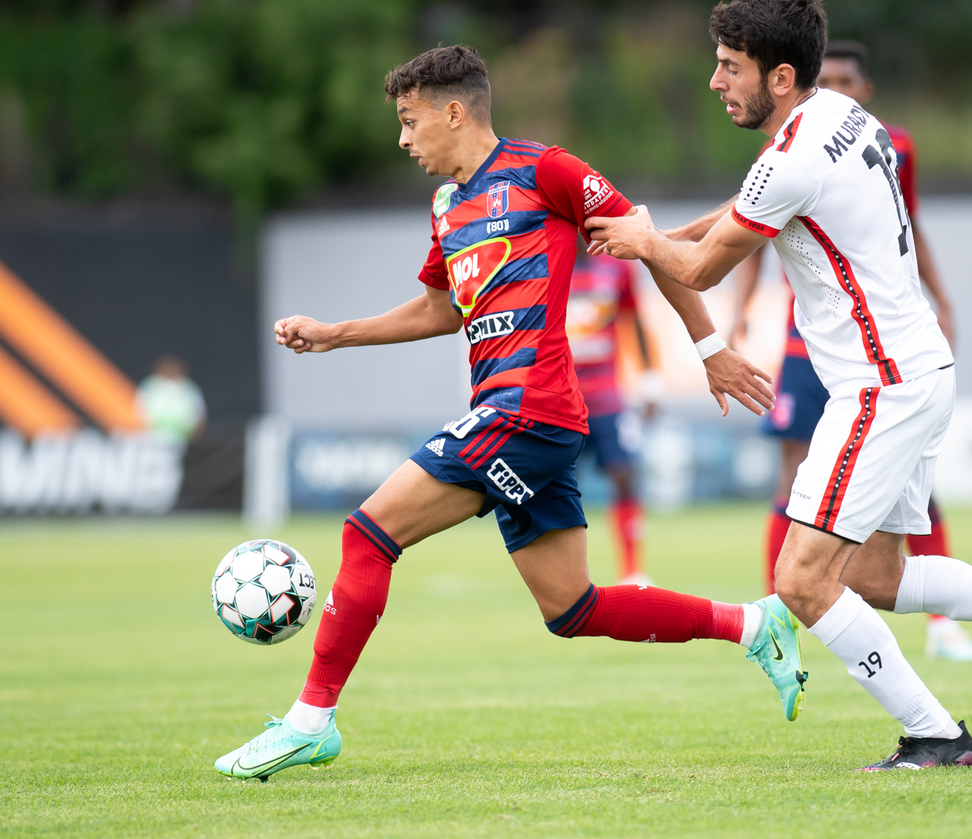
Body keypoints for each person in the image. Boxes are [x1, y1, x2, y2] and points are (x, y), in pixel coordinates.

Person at [216, 45, 805, 782]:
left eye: (409, 120)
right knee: (572, 609)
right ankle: (753, 624)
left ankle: (310, 722)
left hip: (528, 410)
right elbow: (439, 309)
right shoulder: (446, 207)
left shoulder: (544, 170)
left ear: (453, 112)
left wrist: (710, 347)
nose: (402, 139)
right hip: (522, 418)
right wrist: (338, 334)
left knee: (367, 534)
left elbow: (646, 242)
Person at [586, 0, 972, 770]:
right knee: (874, 575)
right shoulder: (838, 115)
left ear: (779, 77)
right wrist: (657, 233)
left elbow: (699, 271)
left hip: (881, 386)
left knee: (802, 581)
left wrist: (643, 240)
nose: (715, 81)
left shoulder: (791, 159)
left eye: (730, 66)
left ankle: (935, 734)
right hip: (916, 371)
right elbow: (741, 210)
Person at [729, 39, 972, 662]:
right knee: (792, 471)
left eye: (847, 81)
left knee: (903, 496)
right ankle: (782, 614)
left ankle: (941, 629)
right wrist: (741, 309)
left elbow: (910, 224)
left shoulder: (886, 143)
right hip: (810, 344)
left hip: (878, 352)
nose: (836, 91)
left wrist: (940, 297)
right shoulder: (785, 151)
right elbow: (743, 231)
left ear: (865, 91)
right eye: (828, 80)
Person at [566, 248, 661, 584]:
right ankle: (568, 574)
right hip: (562, 399)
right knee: (561, 486)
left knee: (625, 475)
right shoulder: (544, 263)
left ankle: (632, 570)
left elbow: (634, 319)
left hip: (607, 396)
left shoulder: (617, 268)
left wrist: (649, 381)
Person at [136, 354, 206, 442]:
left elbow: (200, 414)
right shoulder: (150, 385)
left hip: (181, 438)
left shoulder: (189, 388)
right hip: (150, 437)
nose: (170, 371)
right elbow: (138, 409)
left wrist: (194, 435)